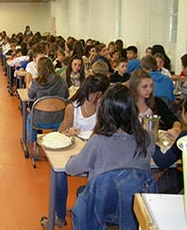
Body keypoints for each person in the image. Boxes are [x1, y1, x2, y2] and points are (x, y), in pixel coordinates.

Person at [65, 84, 155, 227]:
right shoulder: (148, 139)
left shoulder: (98, 141)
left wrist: (73, 158)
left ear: (105, 112)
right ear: (133, 111)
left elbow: (71, 169)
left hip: (102, 206)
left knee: (82, 191)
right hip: (134, 208)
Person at [54, 74, 110, 227]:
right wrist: (69, 131)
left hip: (96, 153)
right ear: (98, 94)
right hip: (76, 153)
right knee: (59, 173)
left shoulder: (104, 107)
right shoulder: (73, 107)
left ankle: (89, 208)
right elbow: (61, 131)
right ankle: (60, 215)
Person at [27, 56, 69, 148]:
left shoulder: (36, 82)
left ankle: (33, 144)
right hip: (59, 120)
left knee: (29, 119)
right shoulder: (61, 81)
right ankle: (57, 140)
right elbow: (66, 96)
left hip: (39, 120)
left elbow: (30, 96)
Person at [129, 70, 181, 137]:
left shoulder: (157, 102)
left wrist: (176, 128)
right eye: (145, 87)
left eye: (151, 86)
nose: (149, 89)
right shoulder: (126, 105)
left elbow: (174, 120)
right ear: (135, 87)